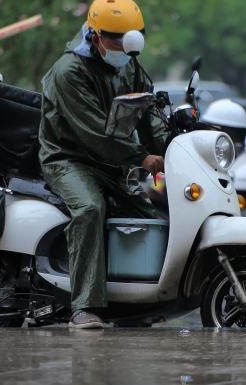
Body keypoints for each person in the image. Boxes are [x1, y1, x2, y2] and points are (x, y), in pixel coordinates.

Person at [38, 0, 167, 329]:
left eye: (131, 39)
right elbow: (96, 132)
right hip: (69, 159)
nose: (124, 47)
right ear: (95, 37)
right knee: (91, 208)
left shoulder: (129, 64)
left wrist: (170, 146)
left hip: (112, 161)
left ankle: (132, 302)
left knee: (150, 214)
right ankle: (83, 306)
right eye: (117, 40)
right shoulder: (68, 72)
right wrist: (142, 157)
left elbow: (148, 110)